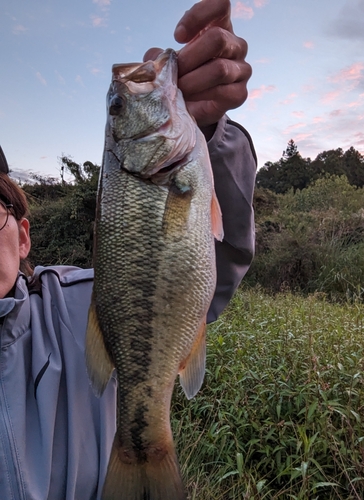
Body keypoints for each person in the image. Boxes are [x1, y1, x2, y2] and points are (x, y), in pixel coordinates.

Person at [0, 0, 256, 498]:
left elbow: (213, 273)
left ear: (24, 235)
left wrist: (209, 131)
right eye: (119, 107)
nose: (123, 97)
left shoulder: (72, 310)